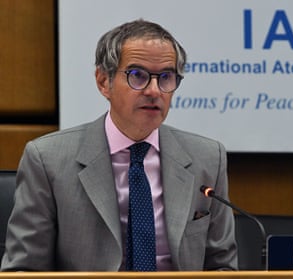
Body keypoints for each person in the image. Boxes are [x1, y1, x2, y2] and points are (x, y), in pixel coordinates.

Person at [1, 19, 238, 271]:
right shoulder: (48, 159)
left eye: (166, 77)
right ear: (104, 82)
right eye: (138, 76)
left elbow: (222, 267)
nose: (154, 90)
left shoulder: (208, 158)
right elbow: (23, 271)